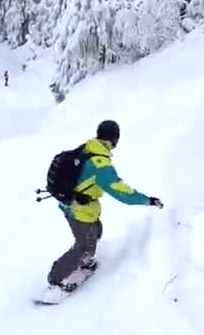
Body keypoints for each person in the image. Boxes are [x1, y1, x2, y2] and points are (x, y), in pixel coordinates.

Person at [41, 120, 163, 302]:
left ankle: (83, 261)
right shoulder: (101, 165)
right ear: (115, 139)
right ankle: (56, 280)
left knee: (95, 232)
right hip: (79, 210)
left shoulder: (88, 147)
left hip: (74, 204)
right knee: (85, 247)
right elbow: (123, 193)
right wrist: (148, 200)